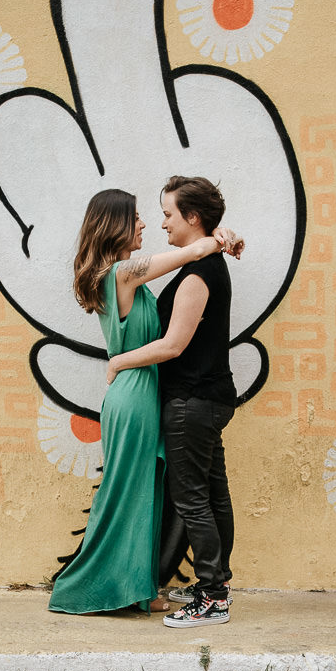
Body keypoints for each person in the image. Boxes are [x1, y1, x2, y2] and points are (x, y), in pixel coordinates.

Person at [48, 188, 237, 615]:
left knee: (144, 495)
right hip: (134, 395)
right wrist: (221, 237)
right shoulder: (122, 273)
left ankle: (139, 588)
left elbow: (199, 249)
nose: (145, 223)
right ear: (115, 224)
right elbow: (195, 251)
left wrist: (223, 235)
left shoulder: (125, 275)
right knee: (127, 495)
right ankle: (97, 586)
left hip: (141, 391)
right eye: (135, 217)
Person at [107, 177, 237, 628]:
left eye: (168, 214)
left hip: (191, 401)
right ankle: (215, 586)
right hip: (207, 398)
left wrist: (119, 361)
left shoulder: (198, 275)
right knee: (213, 495)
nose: (162, 222)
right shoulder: (203, 263)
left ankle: (213, 596)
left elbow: (172, 345)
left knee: (194, 499)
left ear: (192, 217)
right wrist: (221, 238)